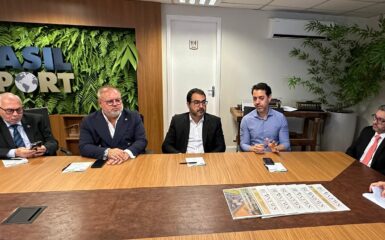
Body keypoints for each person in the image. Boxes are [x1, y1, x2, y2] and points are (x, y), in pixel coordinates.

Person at [79, 86, 147, 165]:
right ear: (100, 103)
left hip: (129, 161)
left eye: (118, 100)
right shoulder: (89, 120)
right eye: (110, 101)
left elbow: (141, 141)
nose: (115, 104)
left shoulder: (133, 116)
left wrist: (126, 153)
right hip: (104, 162)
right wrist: (108, 152)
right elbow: (84, 146)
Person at [162, 88, 226, 153]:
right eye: (196, 102)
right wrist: (179, 155)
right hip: (183, 158)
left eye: (203, 102)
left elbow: (221, 147)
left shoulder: (215, 121)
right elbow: (166, 146)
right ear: (188, 104)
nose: (201, 106)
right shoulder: (177, 121)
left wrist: (209, 158)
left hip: (206, 159)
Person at [0, 92, 58, 158]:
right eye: (9, 110)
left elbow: (53, 142)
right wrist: (15, 152)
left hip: (38, 161)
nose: (15, 114)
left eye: (19, 109)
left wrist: (44, 148)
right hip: (10, 165)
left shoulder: (36, 120)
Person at [240, 82, 290, 153]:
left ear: (269, 98)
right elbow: (243, 144)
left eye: (261, 98)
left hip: (274, 155)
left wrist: (276, 148)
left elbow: (286, 144)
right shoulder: (246, 120)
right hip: (254, 155)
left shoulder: (281, 118)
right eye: (255, 98)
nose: (257, 102)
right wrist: (253, 148)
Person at [346, 105, 385, 175]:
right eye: (375, 117)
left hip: (373, 177)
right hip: (354, 170)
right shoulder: (367, 131)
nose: (375, 122)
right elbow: (351, 150)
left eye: (381, 120)